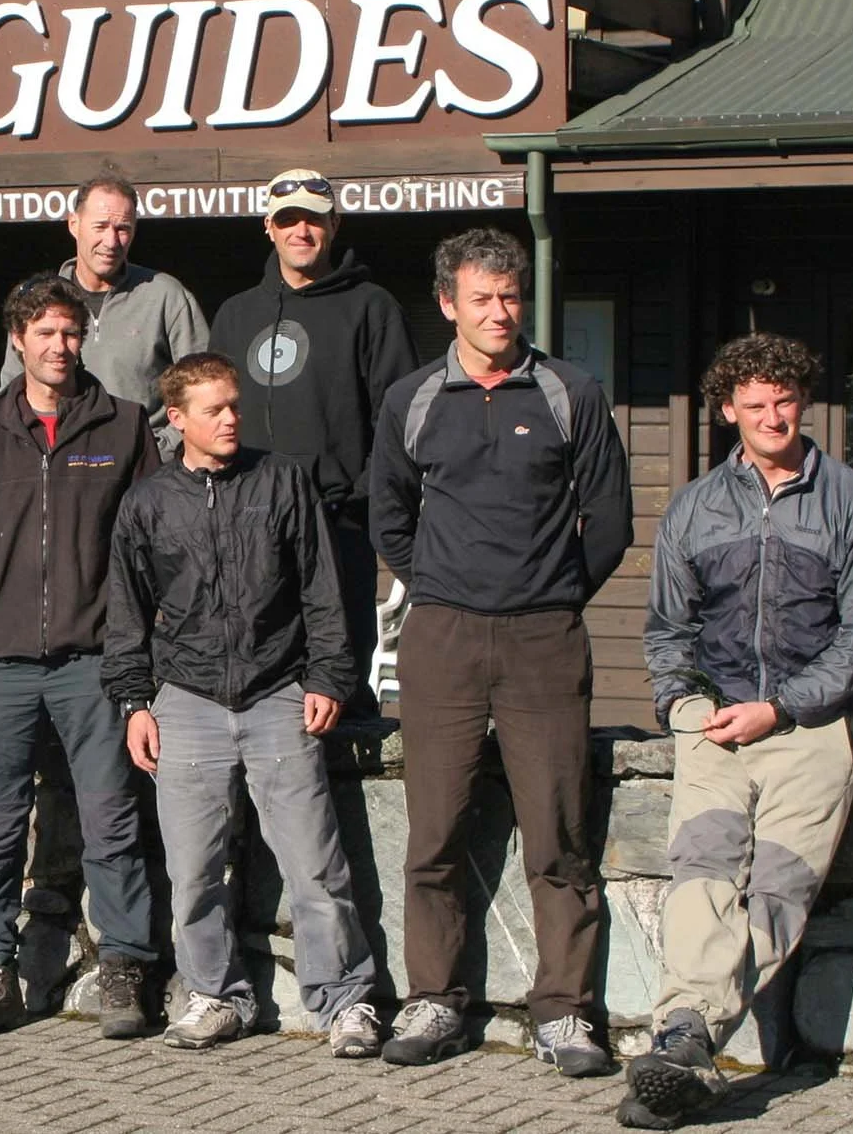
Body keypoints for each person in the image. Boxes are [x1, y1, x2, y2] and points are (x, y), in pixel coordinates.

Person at [368, 228, 632, 1075]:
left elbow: (612, 521)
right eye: (481, 298)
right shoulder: (412, 398)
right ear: (448, 304)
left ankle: (566, 1012)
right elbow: (389, 518)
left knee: (556, 833)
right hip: (441, 637)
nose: (499, 313)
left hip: (545, 640)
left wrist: (547, 596)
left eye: (511, 296)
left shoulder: (569, 391)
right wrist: (446, 587)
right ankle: (435, 999)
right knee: (434, 833)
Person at [619, 334, 853, 1130]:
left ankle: (682, 1037)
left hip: (811, 728)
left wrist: (781, 708)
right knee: (701, 872)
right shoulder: (695, 508)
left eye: (783, 400)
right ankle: (685, 1044)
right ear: (727, 410)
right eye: (754, 403)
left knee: (775, 890)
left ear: (801, 402)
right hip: (718, 725)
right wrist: (683, 706)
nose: (771, 415)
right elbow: (668, 629)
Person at [105, 352, 382, 1058]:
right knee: (193, 867)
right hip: (186, 700)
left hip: (278, 692)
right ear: (177, 418)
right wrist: (136, 701)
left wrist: (327, 678)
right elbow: (126, 614)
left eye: (234, 404)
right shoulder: (146, 502)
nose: (231, 418)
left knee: (316, 864)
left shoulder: (281, 479)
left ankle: (344, 1001)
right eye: (214, 408)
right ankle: (214, 995)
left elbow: (324, 589)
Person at [0, 274, 160, 1040]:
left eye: (71, 333)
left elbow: (145, 549)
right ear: (18, 341)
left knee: (111, 821)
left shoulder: (124, 426)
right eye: (46, 334)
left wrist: (132, 650)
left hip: (92, 663)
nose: (61, 346)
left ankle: (126, 970)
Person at [211, 168, 417, 709]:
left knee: (339, 672)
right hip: (248, 526)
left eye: (313, 219)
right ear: (269, 228)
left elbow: (400, 420)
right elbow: (212, 414)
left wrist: (362, 496)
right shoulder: (236, 315)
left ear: (334, 224)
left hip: (338, 525)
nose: (301, 231)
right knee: (254, 669)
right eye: (288, 220)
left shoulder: (372, 308)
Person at [0, 173, 208, 458]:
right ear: (74, 224)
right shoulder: (39, 301)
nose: (111, 241)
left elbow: (204, 387)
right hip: (62, 466)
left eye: (123, 228)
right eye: (100, 226)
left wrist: (161, 447)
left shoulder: (165, 296)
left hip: (145, 470)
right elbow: (10, 393)